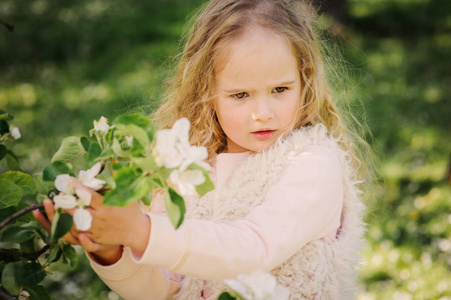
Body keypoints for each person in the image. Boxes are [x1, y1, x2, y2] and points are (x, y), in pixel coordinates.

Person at [34, 0, 371, 299]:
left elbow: (252, 249)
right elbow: (167, 290)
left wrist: (141, 230)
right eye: (240, 95)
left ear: (305, 79)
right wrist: (113, 249)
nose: (263, 112)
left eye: (281, 89)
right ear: (206, 92)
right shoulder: (186, 170)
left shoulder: (312, 164)